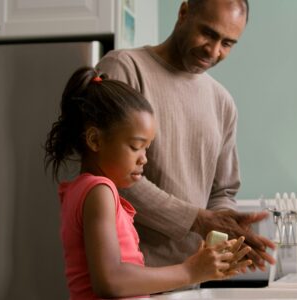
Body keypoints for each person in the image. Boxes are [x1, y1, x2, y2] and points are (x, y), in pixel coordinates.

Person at [96, 0, 276, 271]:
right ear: (183, 13)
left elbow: (223, 189)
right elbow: (108, 172)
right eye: (208, 33)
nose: (214, 51)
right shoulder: (125, 68)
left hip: (192, 277)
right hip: (129, 275)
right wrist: (198, 220)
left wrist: (225, 222)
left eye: (227, 43)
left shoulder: (222, 102)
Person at [44, 66, 252, 299]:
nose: (144, 158)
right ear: (95, 140)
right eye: (135, 146)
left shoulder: (84, 190)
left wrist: (200, 270)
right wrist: (189, 271)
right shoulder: (99, 191)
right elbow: (111, 280)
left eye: (147, 147)